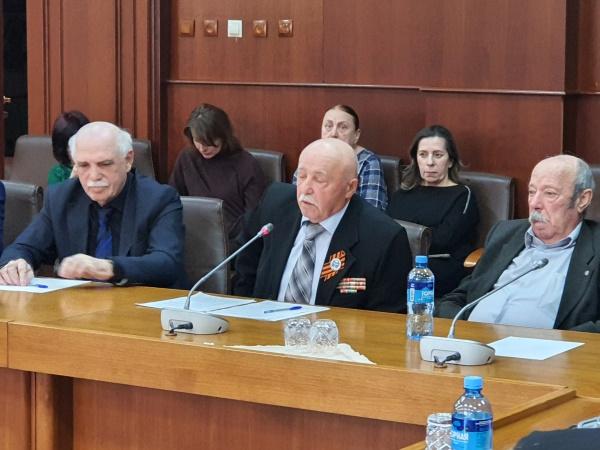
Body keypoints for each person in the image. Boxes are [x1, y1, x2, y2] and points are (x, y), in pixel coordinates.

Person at [0, 121, 186, 288]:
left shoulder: (159, 199)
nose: (94, 176)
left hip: (138, 308)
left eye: (104, 164)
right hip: (77, 309)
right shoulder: (61, 197)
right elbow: (23, 248)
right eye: (84, 165)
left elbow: (167, 263)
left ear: (128, 160)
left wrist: (108, 268)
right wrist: (15, 264)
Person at [234, 138, 412, 312]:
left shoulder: (383, 238)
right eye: (302, 176)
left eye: (319, 180)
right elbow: (245, 271)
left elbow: (387, 317)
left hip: (338, 331)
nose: (305, 188)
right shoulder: (274, 204)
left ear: (350, 188)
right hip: (264, 327)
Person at [436, 155, 600, 332]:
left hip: (541, 347)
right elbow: (462, 295)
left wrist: (559, 343)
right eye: (532, 192)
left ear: (582, 199)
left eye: (550, 193)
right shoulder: (505, 234)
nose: (535, 203)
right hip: (471, 341)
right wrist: (460, 331)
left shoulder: (595, 246)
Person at [387, 125, 479, 296]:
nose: (430, 162)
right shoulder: (403, 193)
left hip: (441, 266)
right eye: (423, 155)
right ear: (416, 159)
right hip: (401, 261)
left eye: (438, 155)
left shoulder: (462, 195)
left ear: (450, 160)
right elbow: (387, 231)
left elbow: (443, 239)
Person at [169, 103, 268, 241]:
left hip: (234, 241)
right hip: (193, 236)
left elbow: (254, 217)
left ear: (223, 136)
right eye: (197, 141)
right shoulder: (187, 158)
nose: (202, 148)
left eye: (208, 142)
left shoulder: (246, 165)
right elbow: (173, 200)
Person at [293, 105, 388, 210]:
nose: (333, 133)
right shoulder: (310, 156)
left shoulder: (368, 162)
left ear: (356, 135)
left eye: (343, 127)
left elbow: (372, 210)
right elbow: (295, 203)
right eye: (328, 126)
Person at [48, 110, 90, 184]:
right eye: (73, 145)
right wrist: (72, 179)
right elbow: (54, 191)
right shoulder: (58, 173)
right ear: (64, 148)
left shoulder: (97, 165)